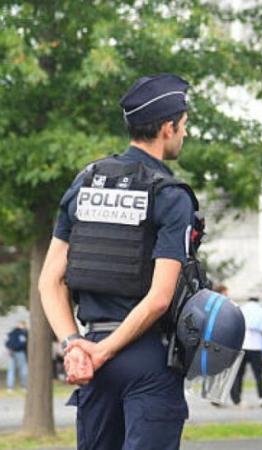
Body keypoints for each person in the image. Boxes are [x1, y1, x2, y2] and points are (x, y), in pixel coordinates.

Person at [38, 74, 198, 449]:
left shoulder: (84, 183)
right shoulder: (170, 195)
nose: (185, 135)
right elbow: (160, 297)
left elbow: (49, 281)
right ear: (166, 128)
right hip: (146, 358)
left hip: (92, 357)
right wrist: (104, 350)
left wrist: (75, 345)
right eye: (184, 126)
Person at [231, 297, 262, 407]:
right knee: (258, 375)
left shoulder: (242, 310)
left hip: (243, 345)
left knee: (239, 374)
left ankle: (237, 398)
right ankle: (261, 398)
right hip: (256, 346)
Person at [5, 321, 28, 391]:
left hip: (11, 352)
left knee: (11, 370)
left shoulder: (10, 333)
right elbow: (23, 343)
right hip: (20, 352)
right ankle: (24, 386)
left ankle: (10, 387)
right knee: (23, 369)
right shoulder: (23, 333)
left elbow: (6, 342)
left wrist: (10, 348)